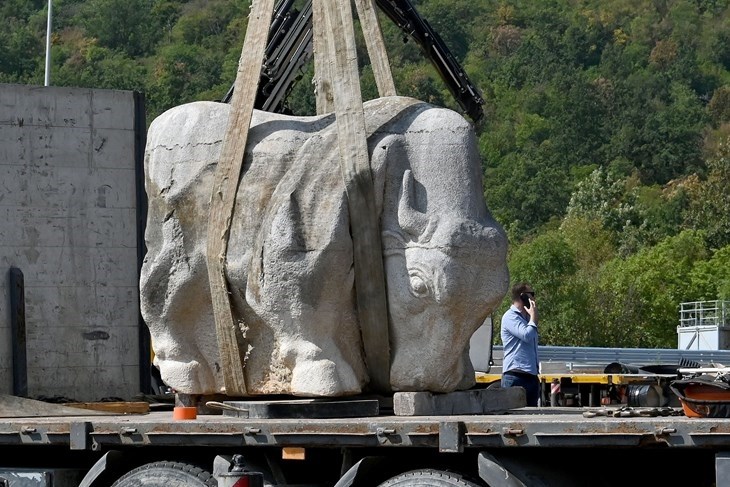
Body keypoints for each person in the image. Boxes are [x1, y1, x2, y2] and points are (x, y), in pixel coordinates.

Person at [500, 282, 540, 406]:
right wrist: (533, 316)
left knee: (531, 418)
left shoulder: (527, 318)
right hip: (515, 376)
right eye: (531, 295)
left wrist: (531, 317)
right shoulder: (510, 317)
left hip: (531, 376)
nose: (533, 299)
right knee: (514, 417)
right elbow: (526, 335)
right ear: (523, 296)